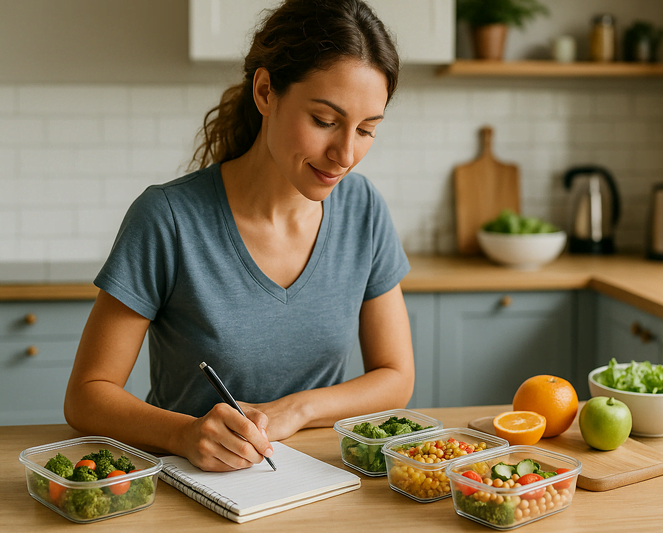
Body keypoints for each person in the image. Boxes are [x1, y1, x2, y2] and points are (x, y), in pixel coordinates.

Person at [64, 0, 414, 473]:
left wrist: (295, 409)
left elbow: (396, 377)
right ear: (266, 91)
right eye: (324, 122)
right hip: (191, 481)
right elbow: (86, 397)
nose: (345, 154)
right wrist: (184, 434)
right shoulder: (168, 218)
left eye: (367, 129)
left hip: (316, 479)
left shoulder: (363, 209)